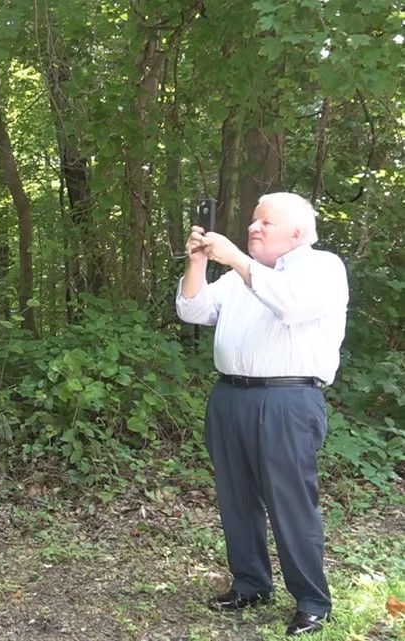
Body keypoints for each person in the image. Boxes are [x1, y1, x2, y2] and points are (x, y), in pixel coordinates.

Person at [175, 192, 348, 637]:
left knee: (290, 504)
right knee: (236, 498)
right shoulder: (237, 278)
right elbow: (193, 310)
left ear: (296, 233)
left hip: (287, 400)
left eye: (265, 223)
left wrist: (234, 259)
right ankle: (250, 584)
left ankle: (312, 601)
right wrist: (197, 262)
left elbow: (288, 305)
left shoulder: (322, 267)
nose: (253, 227)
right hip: (230, 396)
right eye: (253, 220)